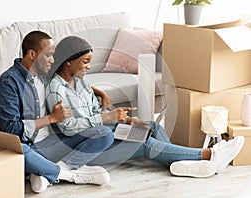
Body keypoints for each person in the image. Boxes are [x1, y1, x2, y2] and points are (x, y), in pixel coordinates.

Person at [45, 35, 245, 178]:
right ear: (68, 62)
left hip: (104, 131)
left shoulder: (80, 81)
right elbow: (68, 128)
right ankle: (209, 155)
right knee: (144, 144)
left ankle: (180, 164)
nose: (89, 67)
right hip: (89, 147)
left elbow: (94, 112)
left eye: (90, 62)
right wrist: (107, 118)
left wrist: (125, 119)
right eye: (85, 62)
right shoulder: (57, 91)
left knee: (151, 127)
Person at [0, 31, 114, 193]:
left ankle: (46, 172)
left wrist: (101, 93)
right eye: (49, 55)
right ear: (32, 54)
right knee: (21, 153)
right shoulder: (8, 83)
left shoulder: (45, 74)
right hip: (29, 148)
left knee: (104, 134)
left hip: (52, 142)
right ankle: (70, 175)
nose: (53, 60)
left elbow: (69, 78)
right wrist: (52, 118)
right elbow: (11, 130)